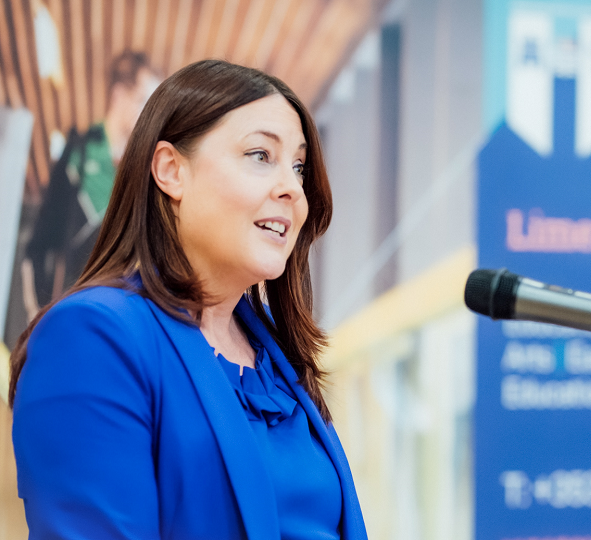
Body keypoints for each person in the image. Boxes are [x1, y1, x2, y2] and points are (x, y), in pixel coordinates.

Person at [8, 60, 367, 539]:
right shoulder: (91, 338)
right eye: (261, 155)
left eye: (298, 166)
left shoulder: (275, 356)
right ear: (171, 170)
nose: (292, 189)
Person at [22, 51, 159, 316]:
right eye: (144, 101)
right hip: (64, 310)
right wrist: (38, 312)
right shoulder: (78, 153)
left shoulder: (147, 173)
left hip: (114, 315)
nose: (149, 115)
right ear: (119, 95)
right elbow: (40, 242)